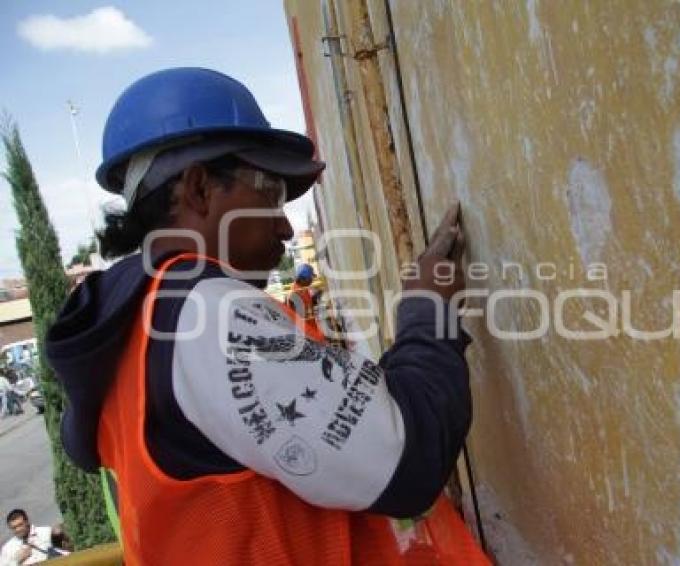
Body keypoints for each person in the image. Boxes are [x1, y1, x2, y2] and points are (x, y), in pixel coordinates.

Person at [46, 68, 487, 564]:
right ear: (197, 189)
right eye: (271, 193)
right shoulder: (209, 318)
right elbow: (408, 460)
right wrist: (429, 313)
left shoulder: (132, 320)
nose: (283, 225)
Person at [0, 510, 66, 565]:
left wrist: (61, 534)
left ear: (27, 522)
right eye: (14, 528)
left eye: (20, 525)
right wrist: (17, 560)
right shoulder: (7, 548)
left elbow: (65, 550)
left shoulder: (46, 532)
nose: (18, 529)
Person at [286, 263, 322, 333]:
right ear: (303, 279)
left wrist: (314, 299)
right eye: (310, 278)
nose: (312, 280)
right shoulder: (294, 294)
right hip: (306, 332)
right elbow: (297, 317)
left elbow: (306, 306)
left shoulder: (302, 288)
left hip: (312, 328)